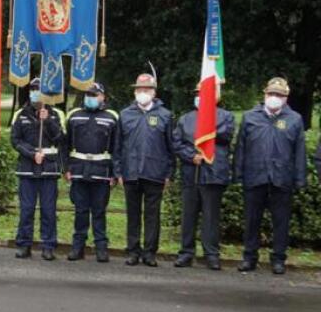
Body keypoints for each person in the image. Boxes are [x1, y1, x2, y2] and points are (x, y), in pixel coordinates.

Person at [233, 77, 307, 274]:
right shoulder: (250, 117)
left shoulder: (295, 119)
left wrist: (300, 179)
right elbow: (241, 147)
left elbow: (300, 151)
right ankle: (249, 257)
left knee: (281, 222)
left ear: (286, 98)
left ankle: (278, 259)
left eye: (279, 95)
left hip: (282, 179)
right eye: (271, 94)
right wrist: (238, 174)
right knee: (251, 220)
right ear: (265, 95)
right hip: (255, 176)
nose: (274, 98)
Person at [172, 85, 235, 270]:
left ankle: (211, 254)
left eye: (204, 94)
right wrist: (191, 155)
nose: (200, 97)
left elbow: (225, 135)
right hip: (191, 173)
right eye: (198, 94)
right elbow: (177, 143)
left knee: (211, 217)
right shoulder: (185, 119)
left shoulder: (225, 116)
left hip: (213, 172)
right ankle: (186, 253)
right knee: (188, 215)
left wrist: (208, 130)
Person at [116, 72, 175, 267]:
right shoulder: (125, 115)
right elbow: (117, 146)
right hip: (130, 172)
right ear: (135, 92)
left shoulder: (165, 115)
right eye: (139, 89)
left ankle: (150, 253)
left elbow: (171, 147)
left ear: (154, 92)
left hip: (155, 172)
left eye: (146, 89)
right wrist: (118, 172)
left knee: (152, 215)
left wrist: (169, 173)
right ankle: (133, 251)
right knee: (133, 214)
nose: (142, 92)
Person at [63, 82, 121, 263]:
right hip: (78, 170)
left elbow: (117, 147)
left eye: (94, 94)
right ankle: (77, 248)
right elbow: (64, 145)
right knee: (80, 211)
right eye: (88, 94)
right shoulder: (73, 115)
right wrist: (65, 169)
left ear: (103, 96)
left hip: (101, 171)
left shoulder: (112, 117)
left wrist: (114, 173)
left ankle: (101, 249)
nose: (91, 97)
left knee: (99, 212)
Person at [11, 78, 65, 260]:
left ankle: (48, 245)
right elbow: (15, 141)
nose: (35, 92)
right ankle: (24, 244)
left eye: (39, 89)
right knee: (26, 209)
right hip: (27, 168)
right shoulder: (21, 114)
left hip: (49, 169)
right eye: (33, 89)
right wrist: (31, 153)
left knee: (48, 210)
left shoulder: (56, 114)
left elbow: (60, 138)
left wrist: (48, 120)